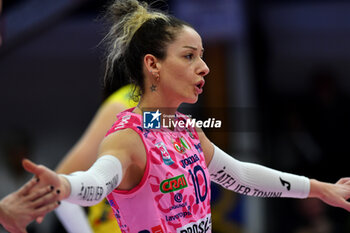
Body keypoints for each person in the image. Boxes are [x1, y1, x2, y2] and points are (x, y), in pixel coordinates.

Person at [21, 0, 350, 232]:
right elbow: (95, 180)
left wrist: (319, 188)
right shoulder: (126, 133)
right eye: (190, 56)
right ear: (153, 65)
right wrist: (63, 186)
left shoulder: (183, 127)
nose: (204, 67)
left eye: (202, 56)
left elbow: (241, 175)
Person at [55, 84, 137, 233]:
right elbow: (58, 184)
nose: (194, 67)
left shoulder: (174, 117)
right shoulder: (124, 106)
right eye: (187, 58)